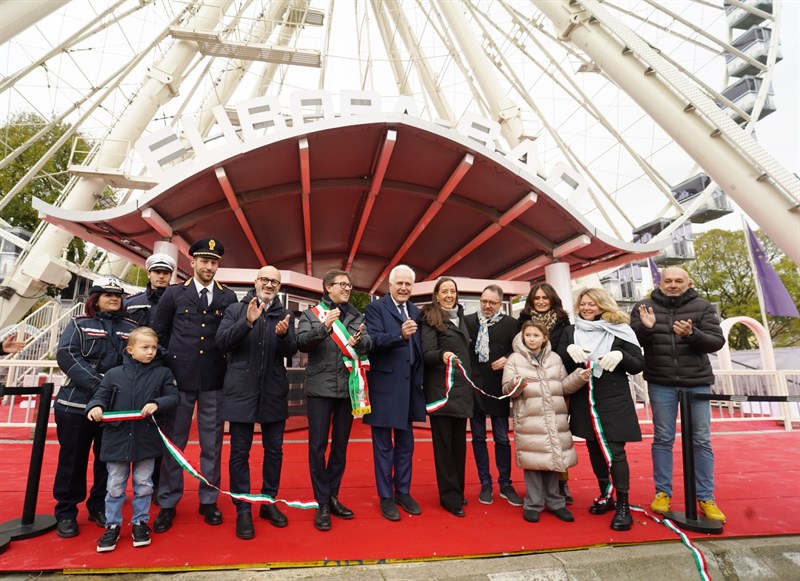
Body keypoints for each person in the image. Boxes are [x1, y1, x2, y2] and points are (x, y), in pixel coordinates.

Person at [150, 237, 237, 532]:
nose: (209, 266)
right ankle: (167, 503)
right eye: (204, 261)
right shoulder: (174, 295)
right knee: (175, 444)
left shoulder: (228, 298)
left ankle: (208, 499)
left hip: (214, 379)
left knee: (212, 445)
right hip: (179, 380)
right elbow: (157, 334)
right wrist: (164, 374)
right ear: (193, 262)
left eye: (214, 262)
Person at [630, 266, 727, 522]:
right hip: (661, 381)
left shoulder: (703, 306)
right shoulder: (644, 307)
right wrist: (647, 328)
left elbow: (716, 342)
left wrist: (692, 334)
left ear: (688, 283)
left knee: (701, 439)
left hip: (696, 381)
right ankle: (663, 492)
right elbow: (632, 341)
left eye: (678, 281)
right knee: (663, 437)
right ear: (660, 283)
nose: (673, 284)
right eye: (668, 280)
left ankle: (706, 496)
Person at [216, 266, 298, 540]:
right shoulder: (237, 309)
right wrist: (247, 322)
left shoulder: (284, 313)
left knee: (274, 451)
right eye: (265, 279)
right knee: (240, 452)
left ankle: (267, 501)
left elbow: (291, 352)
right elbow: (222, 343)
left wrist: (286, 335)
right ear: (256, 281)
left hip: (273, 390)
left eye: (275, 281)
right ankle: (242, 508)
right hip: (241, 391)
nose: (270, 284)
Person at [53, 277, 138, 538]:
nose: (114, 298)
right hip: (77, 404)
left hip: (114, 408)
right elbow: (67, 354)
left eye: (118, 295)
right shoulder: (80, 325)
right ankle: (66, 511)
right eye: (107, 294)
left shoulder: (131, 327)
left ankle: (98, 506)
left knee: (107, 462)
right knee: (72, 460)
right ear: (95, 298)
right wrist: (100, 385)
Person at [86, 327, 180, 552]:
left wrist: (158, 403)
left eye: (154, 348)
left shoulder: (163, 374)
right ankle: (112, 525)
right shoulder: (113, 374)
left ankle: (140, 522)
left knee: (144, 484)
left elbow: (174, 397)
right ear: (130, 350)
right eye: (145, 347)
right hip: (117, 437)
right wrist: (96, 407)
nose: (150, 352)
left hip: (146, 438)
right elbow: (101, 396)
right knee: (115, 485)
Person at [558, 287, 644, 532]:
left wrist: (621, 355)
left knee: (615, 451)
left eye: (592, 304)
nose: (586, 308)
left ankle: (623, 505)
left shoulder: (621, 330)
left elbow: (638, 364)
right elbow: (559, 362)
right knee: (593, 446)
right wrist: (567, 351)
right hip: (584, 397)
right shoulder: (571, 331)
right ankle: (605, 494)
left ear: (603, 305)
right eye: (583, 304)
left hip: (613, 397)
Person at [296, 269, 372, 532]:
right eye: (342, 284)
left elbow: (369, 343)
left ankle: (332, 495)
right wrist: (324, 327)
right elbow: (301, 343)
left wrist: (360, 342)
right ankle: (322, 502)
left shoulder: (356, 315)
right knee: (317, 448)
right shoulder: (310, 314)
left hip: (347, 391)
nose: (347, 288)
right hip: (320, 389)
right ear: (328, 287)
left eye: (350, 285)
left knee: (340, 447)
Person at [502, 321, 591, 523]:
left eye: (536, 335)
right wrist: (517, 384)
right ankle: (533, 503)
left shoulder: (555, 358)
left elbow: (563, 387)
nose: (531, 339)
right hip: (529, 418)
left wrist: (579, 377)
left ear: (544, 338)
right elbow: (507, 390)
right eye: (528, 335)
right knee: (533, 464)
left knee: (553, 462)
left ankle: (555, 502)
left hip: (554, 417)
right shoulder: (514, 360)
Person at [363, 265, 425, 522]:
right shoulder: (375, 309)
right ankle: (386, 497)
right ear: (390, 285)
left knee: (406, 445)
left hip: (410, 388)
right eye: (399, 284)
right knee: (383, 446)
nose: (403, 288)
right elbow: (374, 341)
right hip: (385, 388)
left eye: (408, 284)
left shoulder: (414, 311)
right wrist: (399, 335)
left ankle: (403, 491)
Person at [464, 284, 523, 507]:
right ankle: (485, 483)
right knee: (478, 437)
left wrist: (508, 358)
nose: (487, 306)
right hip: (475, 386)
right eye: (484, 301)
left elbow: (520, 349)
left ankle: (505, 483)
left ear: (500, 304)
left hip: (499, 387)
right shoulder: (469, 321)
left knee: (501, 438)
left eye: (492, 303)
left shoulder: (510, 324)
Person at [420, 277, 473, 517]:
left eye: (453, 291)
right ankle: (449, 497)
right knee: (444, 447)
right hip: (442, 390)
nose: (449, 295)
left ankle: (458, 491)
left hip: (461, 391)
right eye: (445, 291)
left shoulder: (462, 317)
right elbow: (427, 352)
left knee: (459, 446)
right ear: (437, 295)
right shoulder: (431, 317)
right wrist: (442, 354)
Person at [518, 282, 573, 503]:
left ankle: (562, 482)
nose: (540, 301)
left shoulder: (563, 323)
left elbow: (564, 353)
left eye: (545, 298)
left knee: (557, 436)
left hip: (556, 384)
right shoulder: (521, 323)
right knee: (535, 438)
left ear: (552, 300)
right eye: (536, 298)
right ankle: (537, 491)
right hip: (531, 387)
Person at [124, 253, 177, 327]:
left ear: (170, 276)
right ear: (148, 274)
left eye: (165, 273)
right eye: (157, 272)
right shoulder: (130, 303)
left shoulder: (179, 302)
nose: (161, 276)